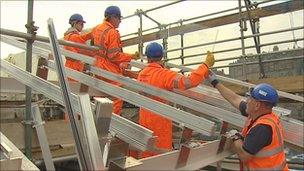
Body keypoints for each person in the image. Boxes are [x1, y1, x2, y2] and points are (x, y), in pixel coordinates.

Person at [137, 42, 215, 158]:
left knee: (147, 157)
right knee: (161, 159)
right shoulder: (164, 74)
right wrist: (205, 65)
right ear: (162, 56)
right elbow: (189, 82)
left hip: (144, 121)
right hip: (160, 124)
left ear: (147, 57)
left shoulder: (141, 75)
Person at [207, 71, 289, 171]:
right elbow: (234, 98)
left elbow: (244, 156)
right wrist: (215, 82)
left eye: (249, 98)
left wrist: (236, 137)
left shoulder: (262, 128)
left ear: (257, 105)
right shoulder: (261, 115)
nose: (246, 100)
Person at [91, 6, 140, 115]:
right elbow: (113, 55)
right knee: (117, 94)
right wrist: (130, 56)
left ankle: (98, 121)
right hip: (108, 67)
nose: (120, 21)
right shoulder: (112, 32)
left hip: (97, 65)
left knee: (101, 94)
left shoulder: (97, 28)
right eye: (119, 18)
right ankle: (112, 124)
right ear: (113, 17)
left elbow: (92, 43)